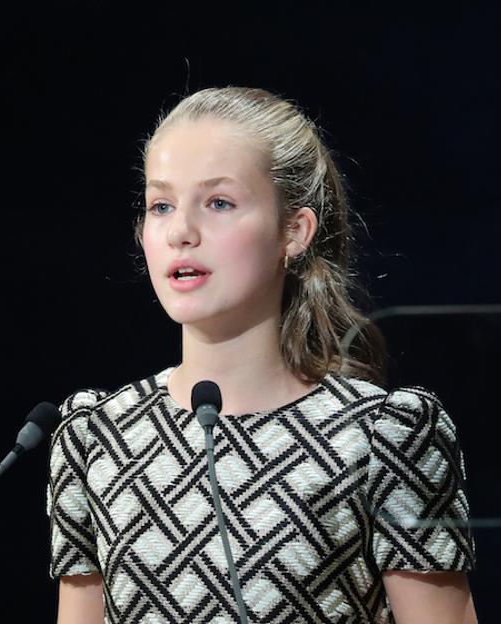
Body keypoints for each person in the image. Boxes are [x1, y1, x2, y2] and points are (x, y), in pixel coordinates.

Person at [46, 87, 477, 623]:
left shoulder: (384, 437)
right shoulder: (97, 436)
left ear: (293, 232)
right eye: (161, 205)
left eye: (219, 202)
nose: (182, 231)